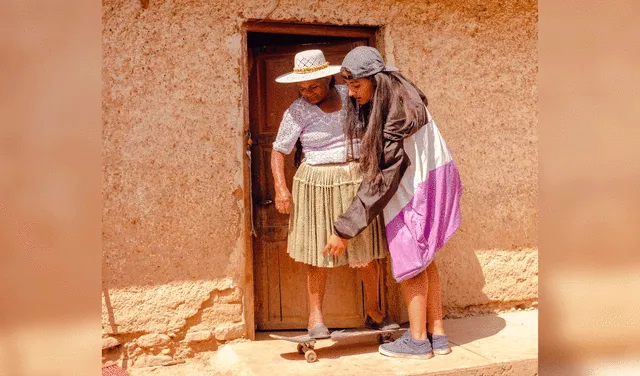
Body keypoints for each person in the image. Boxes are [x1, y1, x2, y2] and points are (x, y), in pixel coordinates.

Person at [322, 46, 463, 359]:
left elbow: (385, 177)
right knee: (426, 259)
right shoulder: (400, 95)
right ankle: (437, 335)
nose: (352, 93)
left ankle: (416, 342)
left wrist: (344, 229)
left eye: (357, 85)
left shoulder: (396, 112)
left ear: (376, 79)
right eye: (349, 86)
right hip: (436, 179)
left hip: (418, 188)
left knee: (411, 261)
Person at [271, 49, 398, 339]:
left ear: (328, 78)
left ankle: (374, 311)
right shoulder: (297, 111)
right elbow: (279, 150)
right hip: (315, 182)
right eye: (302, 88)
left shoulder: (351, 95)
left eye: (313, 86)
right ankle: (315, 318)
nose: (308, 93)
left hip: (355, 178)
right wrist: (281, 188)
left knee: (365, 250)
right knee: (317, 252)